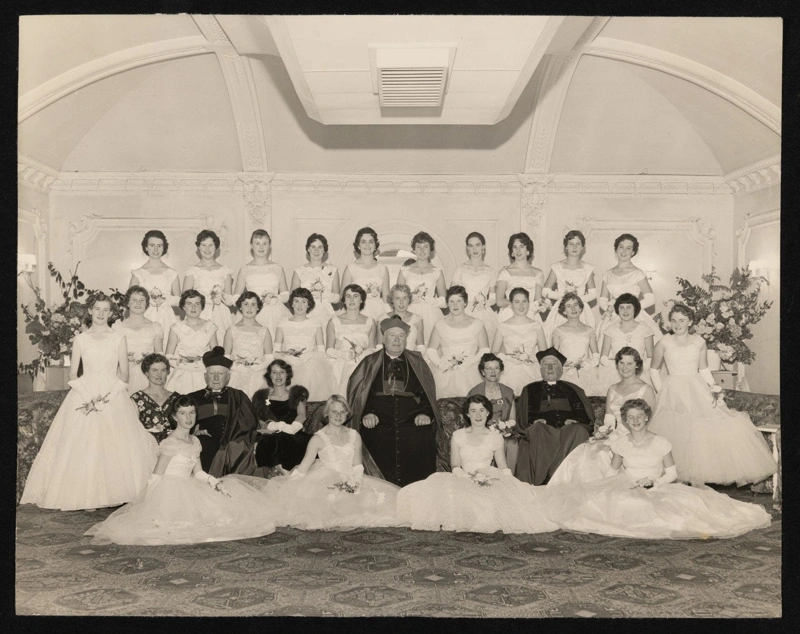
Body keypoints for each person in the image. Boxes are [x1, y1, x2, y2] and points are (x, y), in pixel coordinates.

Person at [539, 399, 772, 539]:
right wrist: (620, 483)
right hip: (628, 485)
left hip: (658, 487)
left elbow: (671, 473)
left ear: (647, 417)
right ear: (625, 420)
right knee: (608, 504)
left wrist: (655, 482)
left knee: (684, 510)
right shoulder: (620, 443)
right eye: (631, 418)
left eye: (640, 416)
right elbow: (612, 473)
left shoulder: (661, 442)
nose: (636, 421)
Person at [21, 292, 159, 510]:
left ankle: (118, 491)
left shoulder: (118, 338)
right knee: (84, 445)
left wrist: (107, 399)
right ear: (90, 311)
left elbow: (124, 374)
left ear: (112, 313)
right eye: (97, 309)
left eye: (106, 310)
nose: (101, 314)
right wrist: (89, 399)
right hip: (85, 393)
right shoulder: (81, 339)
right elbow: (73, 375)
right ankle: (87, 496)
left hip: (112, 394)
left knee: (115, 444)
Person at [85, 395, 278, 545]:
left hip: (191, 486)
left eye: (192, 413)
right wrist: (145, 503)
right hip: (169, 489)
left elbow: (198, 472)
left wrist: (214, 482)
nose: (188, 417)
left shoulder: (195, 441)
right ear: (174, 416)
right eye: (183, 413)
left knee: (224, 515)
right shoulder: (170, 443)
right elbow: (156, 476)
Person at [647, 303, 776, 486]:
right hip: (672, 389)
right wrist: (662, 392)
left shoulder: (699, 341)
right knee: (677, 430)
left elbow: (704, 368)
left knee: (707, 425)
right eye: (674, 320)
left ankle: (697, 478)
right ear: (670, 322)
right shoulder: (663, 342)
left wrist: (715, 388)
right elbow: (653, 370)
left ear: (690, 321)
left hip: (696, 386)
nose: (677, 324)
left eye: (682, 320)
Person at [396, 395, 558, 534]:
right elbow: (455, 465)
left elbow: (502, 465)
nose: (478, 415)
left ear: (488, 413)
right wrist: (464, 476)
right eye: (473, 411)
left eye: (482, 410)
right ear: (467, 413)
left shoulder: (495, 436)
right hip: (462, 477)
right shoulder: (458, 435)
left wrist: (509, 481)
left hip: (489, 477)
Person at [262, 395, 403, 530]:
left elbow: (358, 465)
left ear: (347, 414)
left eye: (342, 412)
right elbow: (303, 469)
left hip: (352, 479)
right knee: (333, 503)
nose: (338, 415)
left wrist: (357, 484)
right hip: (327, 482)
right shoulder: (317, 439)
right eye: (334, 411)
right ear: (326, 414)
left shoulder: (354, 435)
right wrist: (287, 487)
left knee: (377, 502)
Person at [347, 316, 439, 487]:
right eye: (392, 335)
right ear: (383, 338)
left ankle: (417, 494)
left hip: (411, 420)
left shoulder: (417, 361)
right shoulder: (369, 362)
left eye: (401, 336)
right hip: (378, 420)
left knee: (422, 436)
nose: (397, 340)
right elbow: (358, 395)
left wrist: (424, 413)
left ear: (406, 339)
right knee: (372, 436)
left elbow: (427, 394)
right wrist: (367, 413)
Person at [548, 347, 655, 486]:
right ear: (617, 365)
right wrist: (602, 434)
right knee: (591, 451)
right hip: (616, 435)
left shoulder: (646, 389)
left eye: (629, 363)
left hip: (637, 437)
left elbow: (650, 422)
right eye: (621, 363)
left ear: (637, 365)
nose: (625, 367)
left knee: (607, 455)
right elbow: (609, 420)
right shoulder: (613, 389)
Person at [514, 346, 596, 485]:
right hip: (544, 431)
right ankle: (543, 479)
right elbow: (525, 414)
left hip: (568, 431)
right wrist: (535, 420)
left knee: (579, 430)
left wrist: (575, 420)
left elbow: (584, 414)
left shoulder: (573, 389)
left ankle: (559, 477)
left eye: (554, 364)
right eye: (546, 364)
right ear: (540, 370)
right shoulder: (530, 389)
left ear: (561, 370)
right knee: (537, 429)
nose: (550, 368)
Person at [186, 347, 259, 477]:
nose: (215, 378)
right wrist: (194, 430)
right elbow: (182, 422)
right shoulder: (192, 397)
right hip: (205, 440)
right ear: (205, 376)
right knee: (203, 444)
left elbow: (250, 421)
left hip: (233, 438)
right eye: (211, 374)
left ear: (228, 377)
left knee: (237, 446)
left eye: (220, 374)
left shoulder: (239, 396)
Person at [426, 285, 489, 398]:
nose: (455, 305)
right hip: (446, 371)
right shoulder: (440, 324)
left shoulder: (478, 324)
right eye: (451, 301)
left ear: (465, 303)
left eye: (459, 301)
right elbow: (431, 350)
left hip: (471, 370)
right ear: (447, 303)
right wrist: (441, 365)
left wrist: (468, 363)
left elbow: (485, 350)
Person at [596, 233, 662, 342]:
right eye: (621, 247)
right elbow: (603, 300)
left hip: (634, 316)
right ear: (616, 249)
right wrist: (611, 309)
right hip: (613, 315)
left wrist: (631, 308)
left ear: (633, 252)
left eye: (628, 248)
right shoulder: (607, 274)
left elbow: (650, 299)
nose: (624, 251)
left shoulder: (638, 274)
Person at [274, 287, 334, 402]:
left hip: (310, 364)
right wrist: (287, 357)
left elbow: (321, 352)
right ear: (291, 304)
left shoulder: (315, 323)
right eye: (296, 301)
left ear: (309, 305)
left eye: (304, 301)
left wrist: (308, 356)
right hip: (288, 364)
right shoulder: (283, 322)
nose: (300, 305)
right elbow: (275, 352)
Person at [232, 229, 290, 339]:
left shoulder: (277, 268)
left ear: (269, 246)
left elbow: (286, 295)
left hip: (274, 312)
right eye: (257, 243)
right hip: (252, 312)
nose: (261, 247)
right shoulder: (245, 270)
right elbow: (236, 298)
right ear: (251, 246)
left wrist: (274, 298)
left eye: (265, 243)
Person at [542, 230, 596, 344]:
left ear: (583, 247)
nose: (574, 247)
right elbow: (545, 291)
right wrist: (564, 296)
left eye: (578, 244)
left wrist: (577, 299)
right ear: (566, 246)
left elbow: (593, 294)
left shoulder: (588, 268)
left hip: (581, 309)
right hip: (562, 308)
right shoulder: (557, 267)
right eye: (571, 244)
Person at [491, 287, 547, 396]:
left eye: (524, 301)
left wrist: (530, 358)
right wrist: (509, 358)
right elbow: (494, 352)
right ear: (511, 304)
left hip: (532, 370)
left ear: (528, 303)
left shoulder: (536, 326)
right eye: (517, 302)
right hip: (509, 371)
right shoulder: (503, 326)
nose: (521, 306)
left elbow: (544, 354)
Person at [467, 353, 518, 471]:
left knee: (511, 443)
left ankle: (507, 480)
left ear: (500, 371)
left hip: (503, 433)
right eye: (488, 368)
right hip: (481, 431)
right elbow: (470, 418)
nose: (493, 371)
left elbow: (512, 419)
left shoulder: (508, 392)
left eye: (496, 368)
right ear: (483, 371)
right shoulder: (474, 392)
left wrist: (505, 429)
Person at [253, 372, 311, 473]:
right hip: (271, 432)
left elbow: (302, 415)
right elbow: (260, 420)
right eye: (274, 372)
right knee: (268, 441)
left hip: (293, 432)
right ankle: (286, 475)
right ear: (269, 376)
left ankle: (289, 475)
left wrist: (292, 428)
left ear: (287, 375)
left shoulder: (297, 395)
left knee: (285, 441)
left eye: (282, 372)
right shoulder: (261, 398)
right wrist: (274, 425)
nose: (278, 376)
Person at [396, 231, 447, 346]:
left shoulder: (437, 272)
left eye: (425, 247)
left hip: (431, 313)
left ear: (430, 250)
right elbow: (397, 297)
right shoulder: (405, 270)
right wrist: (411, 299)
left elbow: (444, 302)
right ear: (414, 249)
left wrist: (428, 300)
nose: (422, 251)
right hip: (409, 312)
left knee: (430, 346)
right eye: (418, 247)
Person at [326, 284, 377, 395]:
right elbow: (329, 350)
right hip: (340, 362)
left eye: (356, 296)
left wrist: (365, 354)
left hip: (363, 364)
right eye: (348, 296)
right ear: (344, 300)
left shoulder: (370, 322)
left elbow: (373, 347)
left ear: (362, 299)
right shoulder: (334, 322)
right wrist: (342, 354)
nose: (352, 299)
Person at [596, 293, 655, 390]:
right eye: (621, 307)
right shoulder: (610, 330)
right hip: (615, 374)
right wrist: (620, 367)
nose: (625, 311)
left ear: (635, 309)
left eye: (629, 307)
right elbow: (603, 358)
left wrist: (635, 368)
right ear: (617, 310)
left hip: (639, 374)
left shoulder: (645, 330)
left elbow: (651, 358)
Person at [551, 293, 606, 396]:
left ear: (580, 308)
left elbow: (596, 355)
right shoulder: (558, 330)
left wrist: (588, 365)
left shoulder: (589, 330)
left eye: (576, 305)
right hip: (566, 372)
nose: (573, 308)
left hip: (586, 371)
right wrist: (566, 364)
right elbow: (554, 356)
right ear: (564, 311)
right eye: (569, 306)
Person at [183, 229, 234, 340]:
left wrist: (222, 297)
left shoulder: (225, 270)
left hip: (220, 313)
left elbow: (230, 299)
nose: (207, 249)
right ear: (198, 247)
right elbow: (185, 299)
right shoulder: (192, 271)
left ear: (216, 247)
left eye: (211, 245)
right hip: (199, 313)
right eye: (203, 245)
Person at [165, 290, 218, 394]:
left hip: (203, 373)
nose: (193, 308)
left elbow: (216, 355)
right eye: (189, 304)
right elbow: (168, 356)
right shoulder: (176, 328)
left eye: (197, 304)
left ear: (202, 307)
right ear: (183, 307)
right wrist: (183, 364)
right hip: (182, 373)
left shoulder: (210, 327)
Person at [112, 285, 164, 394]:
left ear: (146, 304)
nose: (138, 303)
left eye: (142, 300)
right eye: (134, 300)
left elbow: (159, 357)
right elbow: (113, 357)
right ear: (127, 303)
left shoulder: (155, 327)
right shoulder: (118, 327)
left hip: (148, 374)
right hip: (125, 374)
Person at [128, 229, 180, 336]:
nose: (155, 249)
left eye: (159, 246)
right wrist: (147, 299)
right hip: (145, 316)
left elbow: (179, 301)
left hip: (167, 317)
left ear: (164, 248)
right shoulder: (138, 273)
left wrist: (165, 298)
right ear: (146, 247)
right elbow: (131, 300)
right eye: (152, 245)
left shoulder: (172, 273)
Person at [451, 231, 499, 342]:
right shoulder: (460, 269)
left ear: (483, 247)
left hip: (483, 312)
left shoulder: (490, 271)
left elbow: (492, 298)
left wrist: (483, 303)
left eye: (477, 245)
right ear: (467, 248)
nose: (474, 249)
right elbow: (452, 294)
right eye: (471, 246)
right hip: (463, 310)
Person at [224, 291, 273, 398]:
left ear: (258, 308)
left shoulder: (264, 330)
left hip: (258, 375)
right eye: (246, 304)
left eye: (253, 304)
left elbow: (269, 358)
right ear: (240, 307)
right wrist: (238, 367)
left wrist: (256, 368)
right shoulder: (231, 330)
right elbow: (226, 358)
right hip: (237, 374)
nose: (249, 308)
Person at [290, 232, 341, 330]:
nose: (316, 251)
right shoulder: (299, 271)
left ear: (324, 250)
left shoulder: (333, 270)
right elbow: (293, 297)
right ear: (308, 249)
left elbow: (337, 297)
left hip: (326, 313)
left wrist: (324, 295)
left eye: (320, 247)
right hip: (305, 313)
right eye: (313, 247)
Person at [340, 227, 392, 322]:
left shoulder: (382, 268)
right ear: (358, 246)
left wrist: (390, 319)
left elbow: (386, 299)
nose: (367, 245)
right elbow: (343, 297)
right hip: (357, 312)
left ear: (375, 245)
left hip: (378, 312)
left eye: (371, 242)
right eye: (363, 242)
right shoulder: (351, 268)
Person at [496, 232, 547, 328]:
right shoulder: (504, 272)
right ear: (511, 251)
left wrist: (543, 304)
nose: (518, 250)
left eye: (522, 246)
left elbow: (537, 300)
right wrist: (518, 305)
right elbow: (499, 301)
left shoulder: (538, 273)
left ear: (528, 250)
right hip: (510, 314)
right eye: (515, 247)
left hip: (531, 314)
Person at [131, 353, 180, 443]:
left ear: (168, 372)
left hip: (173, 445)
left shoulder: (176, 398)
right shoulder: (136, 399)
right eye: (154, 370)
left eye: (163, 370)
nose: (159, 374)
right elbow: (133, 429)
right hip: (147, 446)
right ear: (146, 373)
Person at [379, 284, 425, 352]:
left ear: (409, 300)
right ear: (392, 300)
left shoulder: (417, 320)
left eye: (405, 298)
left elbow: (420, 347)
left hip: (409, 360)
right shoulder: (382, 318)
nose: (401, 302)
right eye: (397, 298)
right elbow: (379, 346)